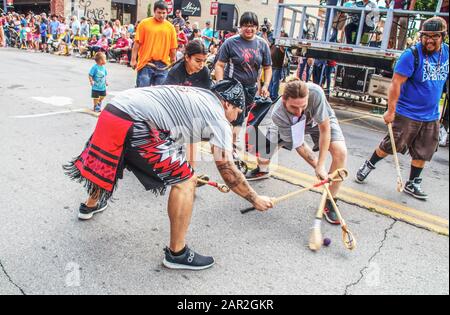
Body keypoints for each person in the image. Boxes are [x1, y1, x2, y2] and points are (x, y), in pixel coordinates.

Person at [63, 80, 273, 271]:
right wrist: (255, 199)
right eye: (237, 112)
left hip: (113, 110)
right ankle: (177, 253)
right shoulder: (218, 116)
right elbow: (227, 169)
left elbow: (172, 135)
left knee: (115, 157)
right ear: (227, 104)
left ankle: (90, 205)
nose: (236, 118)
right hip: (136, 121)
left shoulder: (199, 95)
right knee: (186, 181)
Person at [356, 17, 449, 200]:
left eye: (434, 36)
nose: (429, 40)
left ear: (443, 37)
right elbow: (395, 84)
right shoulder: (411, 55)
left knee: (425, 149)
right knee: (391, 145)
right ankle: (368, 165)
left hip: (430, 114)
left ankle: (412, 183)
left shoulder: (447, 53)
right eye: (426, 36)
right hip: (407, 112)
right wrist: (391, 111)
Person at [246, 79, 348, 225]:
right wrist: (317, 166)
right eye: (294, 107)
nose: (300, 112)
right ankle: (262, 168)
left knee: (341, 153)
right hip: (291, 126)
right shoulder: (278, 114)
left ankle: (329, 200)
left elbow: (325, 130)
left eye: (303, 106)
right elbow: (299, 144)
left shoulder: (316, 93)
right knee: (262, 157)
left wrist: (321, 165)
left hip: (317, 121)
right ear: (284, 101)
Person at [215, 12, 272, 147]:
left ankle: (230, 146)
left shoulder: (262, 44)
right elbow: (219, 65)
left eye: (252, 26)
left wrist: (266, 86)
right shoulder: (230, 43)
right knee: (232, 118)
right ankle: (229, 145)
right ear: (240, 27)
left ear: (257, 28)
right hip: (232, 85)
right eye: (245, 26)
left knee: (241, 118)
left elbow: (268, 67)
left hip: (251, 87)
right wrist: (221, 85)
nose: (249, 29)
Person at [131, 1, 178, 87]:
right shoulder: (144, 24)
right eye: (159, 12)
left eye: (164, 13)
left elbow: (173, 48)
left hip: (163, 65)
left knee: (160, 95)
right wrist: (133, 59)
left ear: (167, 13)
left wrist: (173, 61)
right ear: (154, 11)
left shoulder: (170, 27)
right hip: (146, 63)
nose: (161, 15)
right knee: (142, 93)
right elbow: (137, 43)